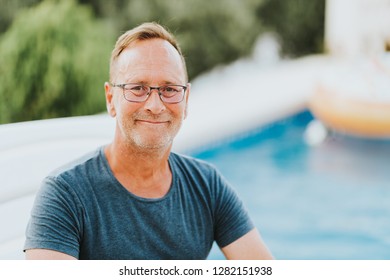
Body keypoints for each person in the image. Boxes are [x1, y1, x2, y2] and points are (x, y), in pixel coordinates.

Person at [24, 22, 273, 260]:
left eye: (169, 89)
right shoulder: (65, 194)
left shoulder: (208, 186)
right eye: (138, 88)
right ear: (111, 99)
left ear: (186, 100)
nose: (155, 105)